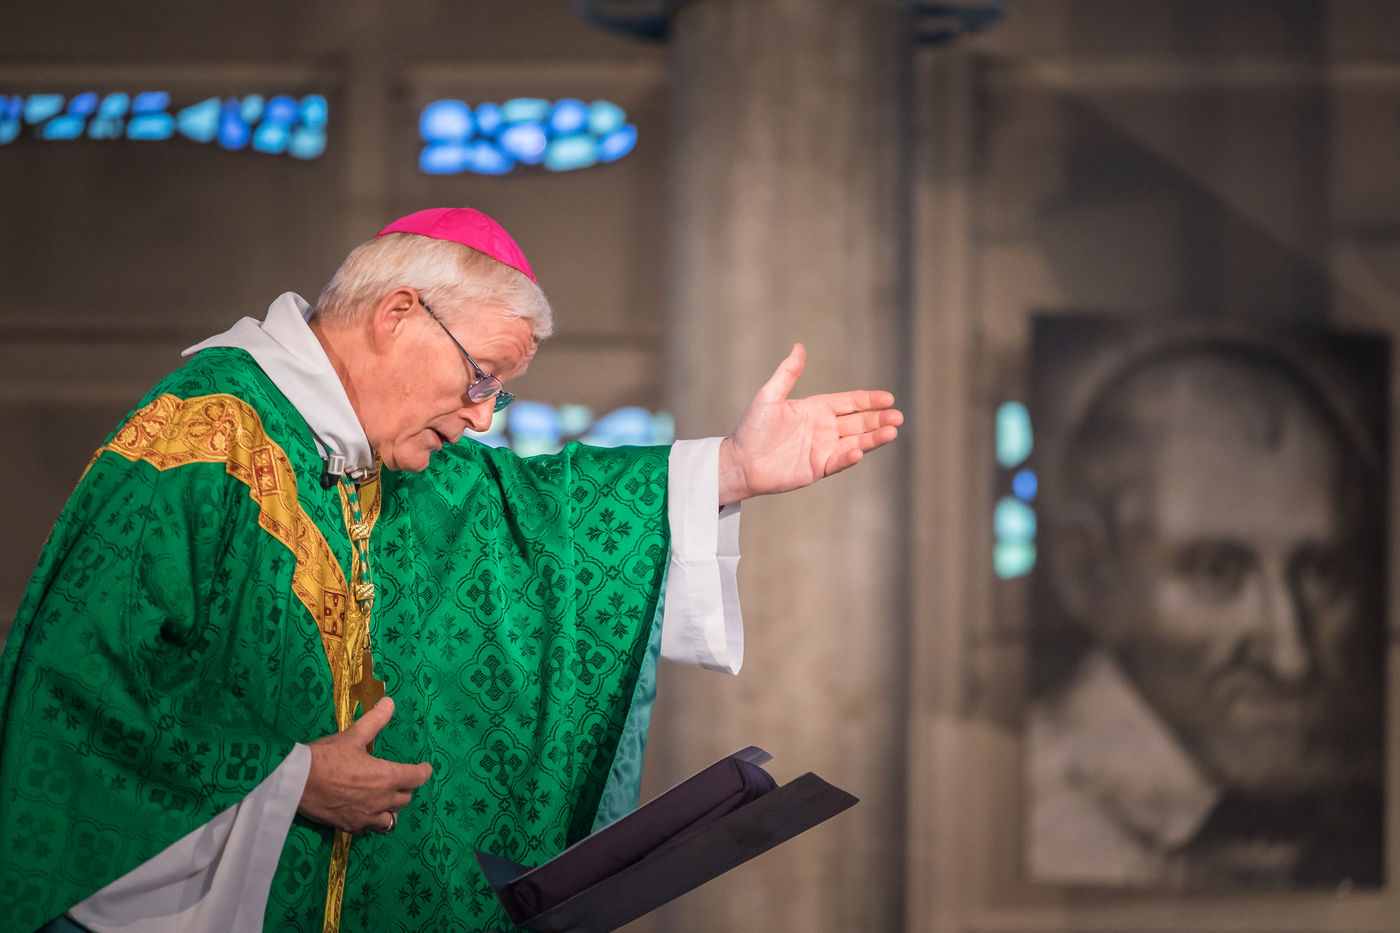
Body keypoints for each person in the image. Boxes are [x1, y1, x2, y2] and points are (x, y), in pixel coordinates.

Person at [0, 206, 903, 932]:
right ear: (397, 314)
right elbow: (72, 687)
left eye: (497, 394)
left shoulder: (381, 456)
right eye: (481, 378)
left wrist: (735, 469)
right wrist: (287, 777)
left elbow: (548, 516)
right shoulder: (202, 435)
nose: (480, 417)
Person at [1028, 337, 1385, 889]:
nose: (1291, 657)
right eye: (1218, 573)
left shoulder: (1341, 798)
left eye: (1322, 574)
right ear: (1090, 574)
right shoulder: (1041, 822)